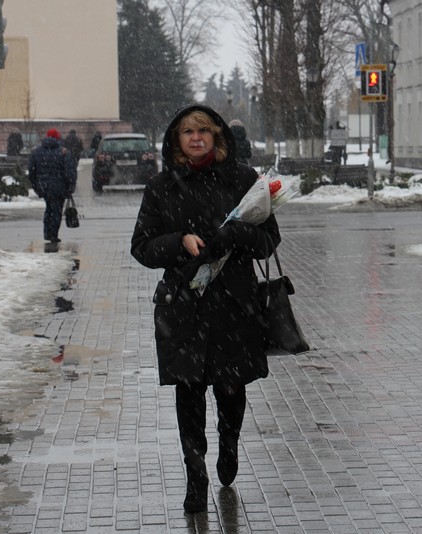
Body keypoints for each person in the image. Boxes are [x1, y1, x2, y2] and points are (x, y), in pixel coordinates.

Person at [131, 104, 280, 513]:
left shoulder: (244, 181)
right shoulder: (161, 187)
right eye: (187, 132)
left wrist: (235, 235)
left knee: (231, 390)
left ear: (217, 136)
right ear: (176, 140)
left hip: (235, 305)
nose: (196, 138)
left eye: (204, 131)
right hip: (185, 308)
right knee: (190, 393)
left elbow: (269, 241)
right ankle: (195, 477)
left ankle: (228, 444)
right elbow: (141, 247)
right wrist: (178, 241)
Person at [28, 128, 77, 244]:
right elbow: (69, 171)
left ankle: (47, 232)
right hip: (59, 187)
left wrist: (36, 186)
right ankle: (53, 234)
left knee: (49, 208)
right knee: (56, 210)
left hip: (44, 187)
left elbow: (31, 171)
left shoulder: (37, 152)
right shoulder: (63, 152)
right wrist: (70, 186)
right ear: (58, 138)